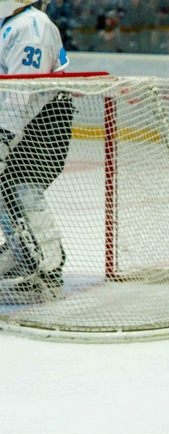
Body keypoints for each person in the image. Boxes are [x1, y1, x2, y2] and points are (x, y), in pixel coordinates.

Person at [0, 0, 72, 305]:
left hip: (42, 123)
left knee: (21, 189)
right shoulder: (13, 24)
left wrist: (3, 137)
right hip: (20, 123)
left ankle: (49, 268)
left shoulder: (32, 28)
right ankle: (24, 256)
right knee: (6, 191)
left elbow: (22, 92)